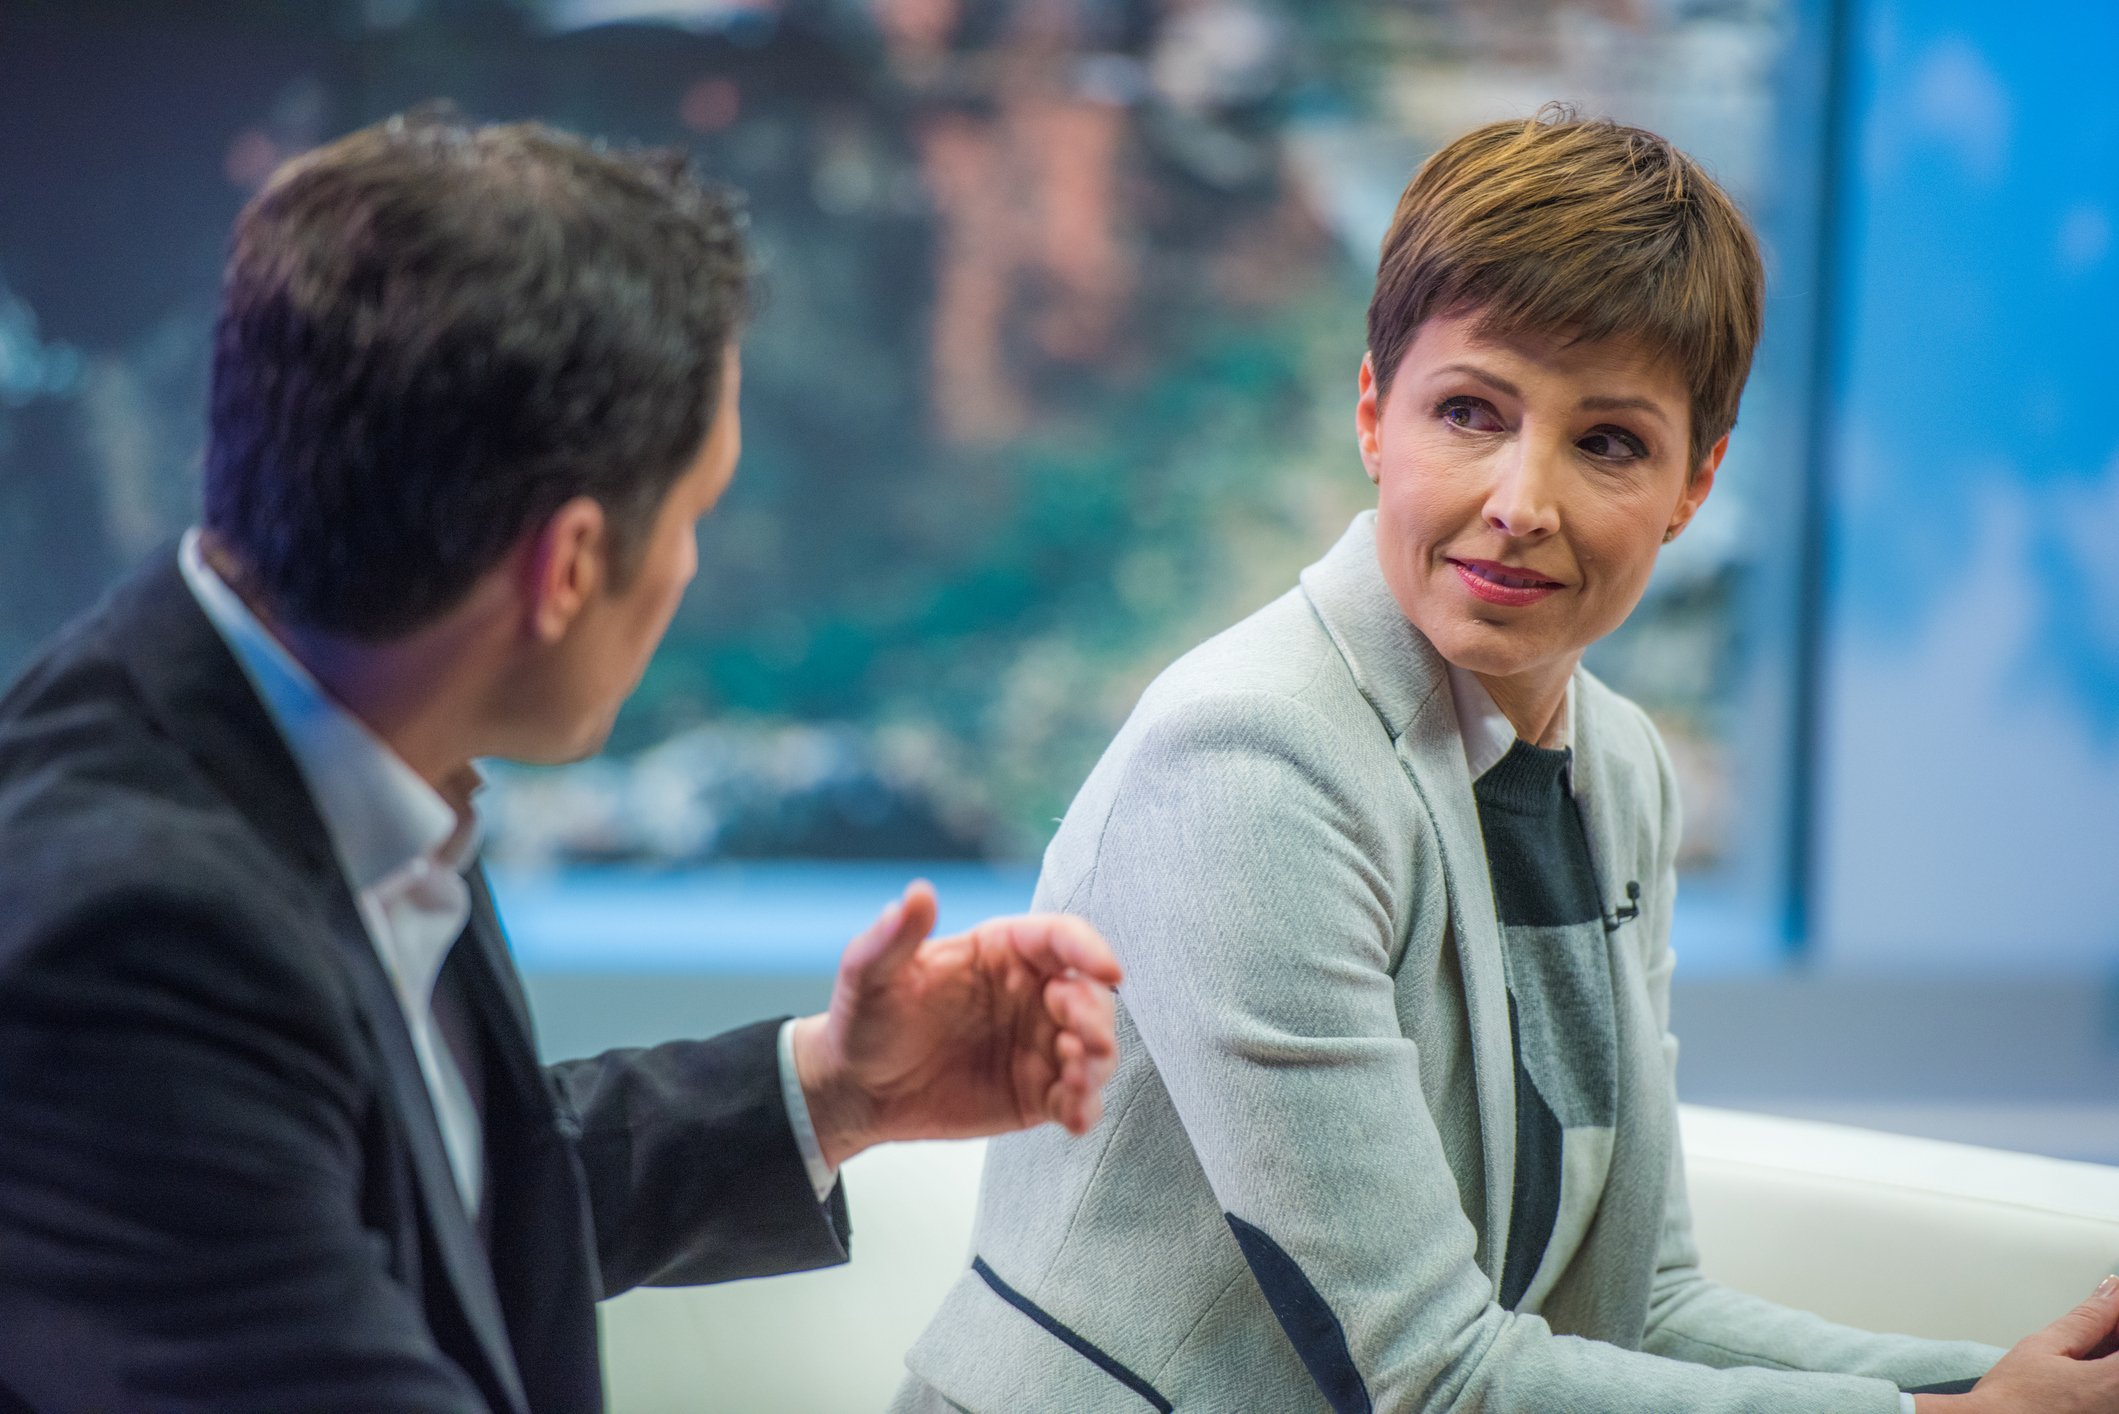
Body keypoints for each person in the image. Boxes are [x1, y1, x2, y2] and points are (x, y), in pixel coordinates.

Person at [892, 109, 2119, 1413]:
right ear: (1374, 416)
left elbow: (1640, 1301)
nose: (1522, 501)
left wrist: (2008, 1382)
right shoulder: (1251, 755)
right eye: (1471, 411)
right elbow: (1428, 1376)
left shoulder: (1624, 771)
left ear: (1693, 486)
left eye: (1607, 442)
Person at [0, 115, 1122, 1414]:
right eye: (695, 510)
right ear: (570, 565)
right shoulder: (133, 940)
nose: (691, 564)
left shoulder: (343, 733)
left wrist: (829, 1087)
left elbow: (414, 1197)